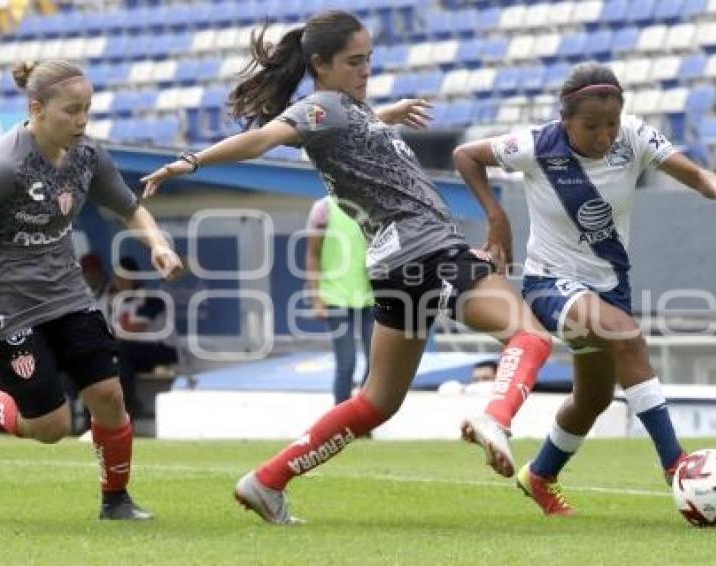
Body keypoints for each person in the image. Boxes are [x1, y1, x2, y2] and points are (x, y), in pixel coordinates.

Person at [142, 10, 555, 524]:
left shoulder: (348, 110)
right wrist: (192, 161)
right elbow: (265, 138)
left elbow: (350, 136)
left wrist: (385, 115)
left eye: (369, 60)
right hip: (426, 251)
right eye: (354, 62)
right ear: (321, 64)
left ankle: (268, 480)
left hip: (396, 264)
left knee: (377, 401)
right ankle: (496, 418)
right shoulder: (321, 109)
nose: (366, 71)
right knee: (531, 337)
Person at [453, 62, 716, 516]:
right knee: (627, 336)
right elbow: (466, 155)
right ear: (565, 118)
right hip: (550, 284)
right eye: (591, 126)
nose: (604, 136)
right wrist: (497, 216)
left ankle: (540, 475)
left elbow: (686, 169)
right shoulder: (535, 144)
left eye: (610, 124)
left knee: (592, 400)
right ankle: (676, 465)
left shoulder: (633, 136)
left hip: (610, 286)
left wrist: (714, 185)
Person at [0, 59, 184, 520]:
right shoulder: (2, 167)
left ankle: (116, 500)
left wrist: (158, 246)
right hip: (7, 307)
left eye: (87, 109)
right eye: (72, 111)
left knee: (108, 396)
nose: (82, 121)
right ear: (37, 109)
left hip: (67, 295)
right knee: (51, 427)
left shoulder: (88, 156)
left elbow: (130, 207)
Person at [306, 196, 374, 404]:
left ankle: (362, 419)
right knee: (347, 363)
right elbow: (313, 255)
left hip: (370, 298)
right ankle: (341, 421)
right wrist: (316, 298)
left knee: (376, 364)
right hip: (335, 297)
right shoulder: (323, 210)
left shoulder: (371, 207)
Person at [102, 256, 178, 418]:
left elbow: (130, 332)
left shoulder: (151, 298)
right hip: (131, 354)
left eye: (124, 277)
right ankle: (94, 419)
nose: (119, 281)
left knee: (122, 352)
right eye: (117, 277)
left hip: (162, 350)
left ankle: (129, 410)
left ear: (134, 278)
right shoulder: (114, 302)